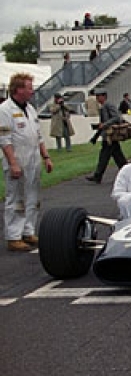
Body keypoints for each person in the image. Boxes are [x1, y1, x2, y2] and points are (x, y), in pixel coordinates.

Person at [0, 73, 54, 251]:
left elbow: (38, 135)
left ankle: (28, 231)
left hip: (33, 160)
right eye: (29, 88)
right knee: (16, 198)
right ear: (18, 89)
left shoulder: (30, 109)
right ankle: (13, 236)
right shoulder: (5, 110)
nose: (32, 91)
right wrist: (13, 163)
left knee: (33, 197)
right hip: (17, 159)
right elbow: (5, 140)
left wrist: (46, 156)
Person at [86, 88, 128, 184]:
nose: (97, 98)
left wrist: (105, 125)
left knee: (105, 156)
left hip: (111, 136)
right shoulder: (103, 106)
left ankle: (98, 175)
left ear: (104, 96)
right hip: (108, 136)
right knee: (118, 157)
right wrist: (95, 137)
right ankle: (128, 173)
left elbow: (117, 117)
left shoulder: (108, 105)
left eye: (98, 96)